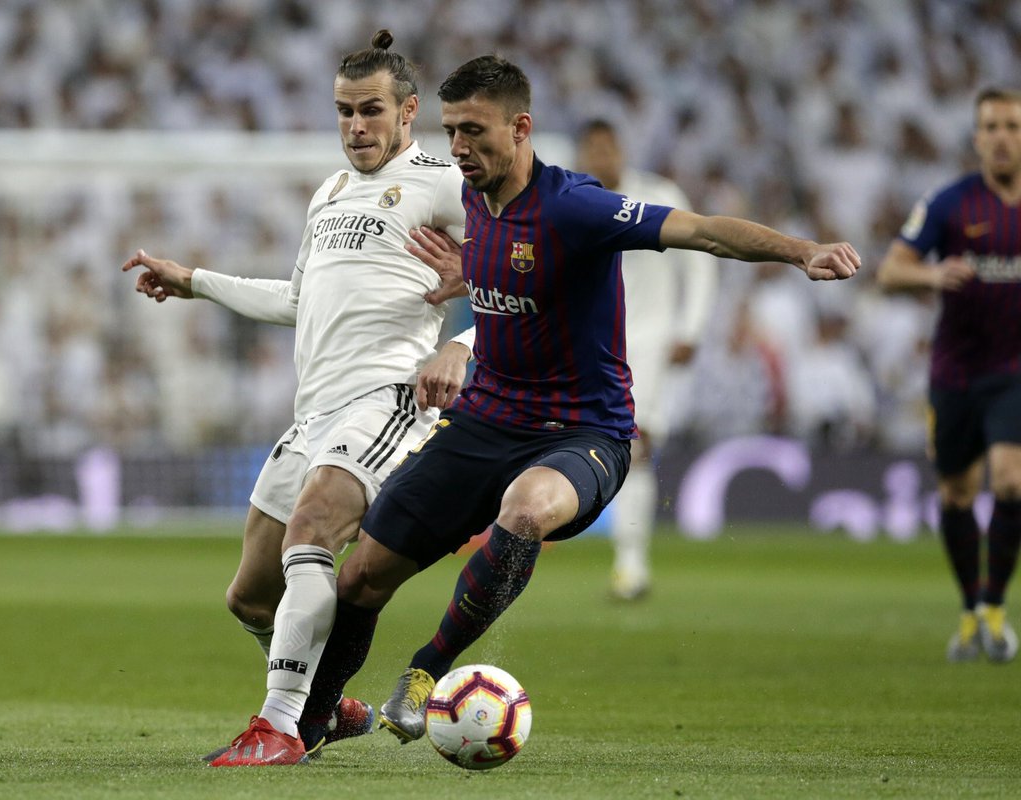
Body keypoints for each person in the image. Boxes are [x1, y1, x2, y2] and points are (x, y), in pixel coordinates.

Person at [282, 54, 860, 758]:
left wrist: (803, 251)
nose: (459, 147)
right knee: (362, 574)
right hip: (482, 422)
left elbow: (702, 230)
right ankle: (305, 725)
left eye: (475, 131)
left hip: (582, 433)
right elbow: (498, 265)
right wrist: (469, 283)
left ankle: (425, 672)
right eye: (452, 130)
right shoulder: (468, 200)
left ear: (521, 128)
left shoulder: (575, 206)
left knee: (526, 511)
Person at [122, 31, 474, 766]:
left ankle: (282, 725)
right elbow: (296, 297)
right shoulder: (331, 191)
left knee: (312, 526)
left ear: (409, 112)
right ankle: (329, 708)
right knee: (249, 596)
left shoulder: (444, 181)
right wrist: (194, 281)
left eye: (371, 111)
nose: (356, 127)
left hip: (389, 396)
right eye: (344, 111)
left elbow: (521, 273)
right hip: (314, 410)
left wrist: (460, 346)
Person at [877, 86, 1021, 664]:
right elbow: (890, 271)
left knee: (1011, 479)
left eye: (1012, 125)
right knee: (957, 494)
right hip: (955, 373)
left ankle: (993, 605)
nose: (1002, 137)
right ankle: (969, 613)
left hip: (1014, 370)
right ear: (975, 137)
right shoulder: (950, 204)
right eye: (990, 126)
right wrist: (933, 278)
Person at [575, 118, 719, 600]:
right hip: (593, 343)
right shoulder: (574, 200)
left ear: (621, 149)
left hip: (651, 340)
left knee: (637, 445)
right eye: (592, 150)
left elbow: (698, 259)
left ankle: (630, 565)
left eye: (607, 148)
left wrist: (691, 328)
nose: (601, 158)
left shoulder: (657, 194)